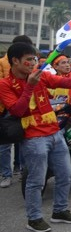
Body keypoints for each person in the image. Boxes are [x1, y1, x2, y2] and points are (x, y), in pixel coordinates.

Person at [0, 42, 71, 232]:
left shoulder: (41, 76)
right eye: (28, 59)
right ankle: (34, 218)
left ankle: (60, 211)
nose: (32, 63)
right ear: (15, 61)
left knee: (64, 175)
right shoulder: (5, 84)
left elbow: (65, 82)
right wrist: (29, 86)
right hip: (33, 138)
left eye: (33, 59)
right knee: (36, 181)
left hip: (54, 132)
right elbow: (17, 110)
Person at [0, 34, 33, 188]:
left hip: (24, 105)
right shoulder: (2, 63)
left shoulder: (29, 65)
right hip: (6, 108)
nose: (31, 61)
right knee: (5, 144)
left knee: (23, 139)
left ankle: (20, 169)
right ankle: (6, 174)